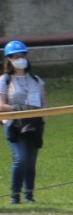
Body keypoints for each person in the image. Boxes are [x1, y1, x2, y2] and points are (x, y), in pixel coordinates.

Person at [0, 41, 46, 204]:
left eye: (23, 56)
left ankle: (29, 195)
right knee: (20, 159)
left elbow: (43, 103)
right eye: (16, 56)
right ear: (9, 59)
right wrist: (17, 108)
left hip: (34, 124)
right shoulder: (4, 80)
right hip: (14, 124)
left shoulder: (36, 79)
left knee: (31, 161)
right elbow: (1, 104)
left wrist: (41, 114)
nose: (21, 59)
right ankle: (14, 196)